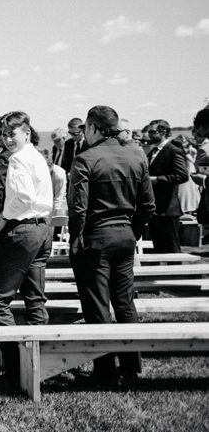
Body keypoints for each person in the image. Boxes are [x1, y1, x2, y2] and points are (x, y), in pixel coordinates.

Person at [68, 106, 155, 389]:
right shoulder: (137, 155)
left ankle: (104, 369)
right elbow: (148, 204)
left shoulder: (85, 159)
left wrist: (75, 237)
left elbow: (78, 207)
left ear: (92, 127)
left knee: (97, 304)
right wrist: (134, 231)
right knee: (124, 301)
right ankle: (131, 366)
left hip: (95, 237)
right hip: (125, 235)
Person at [0, 111, 53, 385]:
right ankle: (39, 362)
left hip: (21, 229)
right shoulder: (37, 155)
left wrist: (2, 217)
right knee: (34, 299)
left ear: (26, 132)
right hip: (41, 228)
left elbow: (23, 197)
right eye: (3, 134)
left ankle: (16, 367)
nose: (8, 139)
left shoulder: (19, 159)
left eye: (13, 133)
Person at [145, 119, 188, 253]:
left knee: (172, 247)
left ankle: (179, 274)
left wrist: (157, 179)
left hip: (168, 208)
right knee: (158, 247)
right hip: (156, 208)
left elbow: (182, 175)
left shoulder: (173, 150)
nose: (149, 135)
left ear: (163, 132)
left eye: (152, 132)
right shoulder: (153, 152)